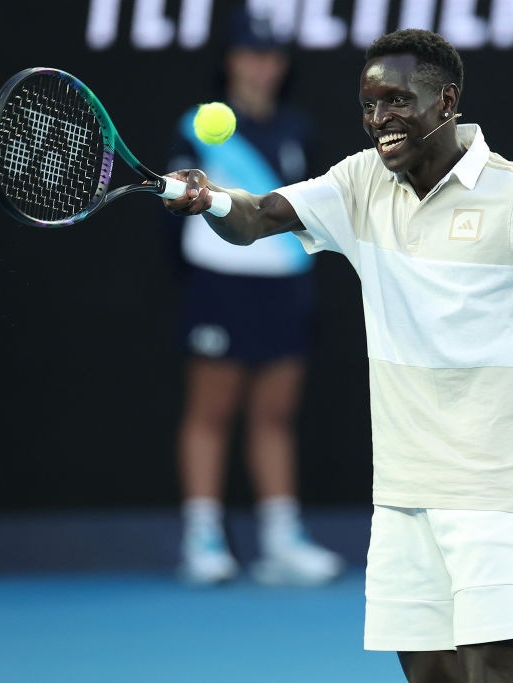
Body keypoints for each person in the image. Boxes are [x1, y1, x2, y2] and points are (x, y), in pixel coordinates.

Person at [163, 28, 513, 683]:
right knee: (430, 675)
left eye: (396, 101)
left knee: (490, 670)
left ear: (446, 100)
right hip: (402, 488)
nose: (378, 121)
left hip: (492, 485)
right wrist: (213, 199)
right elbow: (258, 216)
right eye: (369, 105)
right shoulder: (361, 182)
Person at [168, 11, 342, 586]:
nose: (261, 68)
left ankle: (280, 540)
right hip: (219, 284)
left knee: (274, 416)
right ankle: (203, 539)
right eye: (250, 55)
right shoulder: (197, 127)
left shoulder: (298, 128)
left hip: (285, 286)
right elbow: (178, 211)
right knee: (211, 413)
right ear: (231, 61)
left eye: (271, 57)